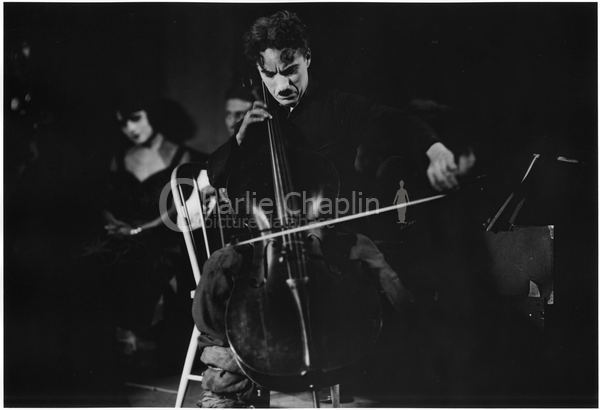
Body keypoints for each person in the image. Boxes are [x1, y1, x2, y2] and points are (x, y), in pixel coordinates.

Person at [192, 10, 475, 408]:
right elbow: (219, 176)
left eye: (290, 69)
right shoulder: (255, 124)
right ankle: (226, 380)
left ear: (306, 57)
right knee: (219, 268)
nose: (282, 84)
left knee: (383, 270)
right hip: (267, 242)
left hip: (327, 233)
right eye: (270, 74)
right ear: (259, 70)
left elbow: (396, 122)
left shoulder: (338, 106)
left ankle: (401, 378)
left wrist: (436, 149)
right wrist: (239, 141)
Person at [92, 96, 203, 362]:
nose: (130, 129)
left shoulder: (179, 155)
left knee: (147, 260)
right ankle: (114, 344)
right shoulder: (120, 157)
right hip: (122, 234)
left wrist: (141, 231)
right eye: (122, 124)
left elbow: (180, 207)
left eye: (135, 118)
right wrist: (114, 224)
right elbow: (105, 201)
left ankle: (147, 342)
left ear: (152, 115)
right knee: (94, 256)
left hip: (165, 234)